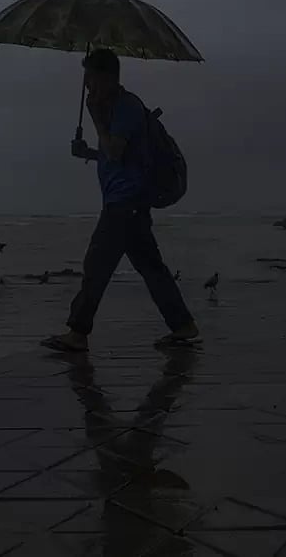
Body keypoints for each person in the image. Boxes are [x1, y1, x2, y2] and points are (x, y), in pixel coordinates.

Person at [40, 49, 198, 353]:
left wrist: (96, 119)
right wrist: (86, 152)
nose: (87, 86)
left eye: (91, 78)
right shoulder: (117, 107)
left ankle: (77, 333)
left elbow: (115, 150)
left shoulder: (126, 107)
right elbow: (119, 158)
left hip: (125, 203)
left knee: (96, 265)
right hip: (129, 202)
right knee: (152, 268)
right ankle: (183, 326)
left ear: (108, 76)